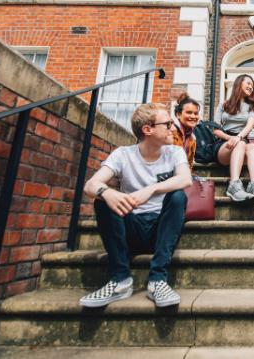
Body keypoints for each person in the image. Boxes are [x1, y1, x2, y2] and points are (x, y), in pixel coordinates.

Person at [80, 102, 192, 308]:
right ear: (147, 129)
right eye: (167, 124)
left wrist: (151, 189)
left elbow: (186, 179)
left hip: (161, 229)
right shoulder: (123, 154)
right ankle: (120, 280)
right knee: (102, 200)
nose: (172, 128)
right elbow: (90, 185)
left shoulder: (174, 152)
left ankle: (158, 280)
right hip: (131, 227)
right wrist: (107, 192)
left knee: (178, 196)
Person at [213, 74, 254, 201]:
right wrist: (230, 138)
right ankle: (234, 185)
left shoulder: (253, 106)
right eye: (248, 83)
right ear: (238, 83)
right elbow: (215, 129)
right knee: (241, 144)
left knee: (251, 145)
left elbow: (249, 125)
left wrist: (238, 137)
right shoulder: (224, 105)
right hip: (223, 144)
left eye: (252, 85)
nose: (251, 86)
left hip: (241, 140)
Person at [172, 92, 199, 170]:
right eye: (189, 112)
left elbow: (189, 165)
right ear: (178, 114)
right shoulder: (170, 132)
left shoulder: (192, 138)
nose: (193, 116)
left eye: (196, 113)